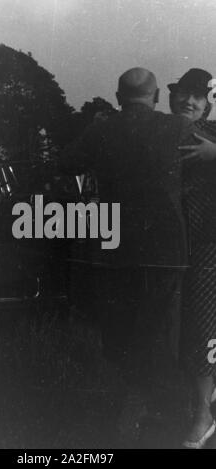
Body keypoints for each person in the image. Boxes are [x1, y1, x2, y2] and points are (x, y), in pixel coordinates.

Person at [60, 67, 201, 440]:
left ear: (119, 96)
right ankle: (170, 414)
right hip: (168, 251)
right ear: (156, 97)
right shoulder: (177, 129)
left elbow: (64, 164)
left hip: (116, 248)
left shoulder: (101, 128)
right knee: (162, 334)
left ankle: (135, 405)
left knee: (120, 334)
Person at [168, 68, 216, 449]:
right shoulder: (157, 132)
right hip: (166, 249)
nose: (189, 101)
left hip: (208, 248)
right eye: (183, 94)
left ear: (207, 105)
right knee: (170, 330)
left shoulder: (213, 134)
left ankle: (203, 415)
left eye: (198, 97)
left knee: (203, 331)